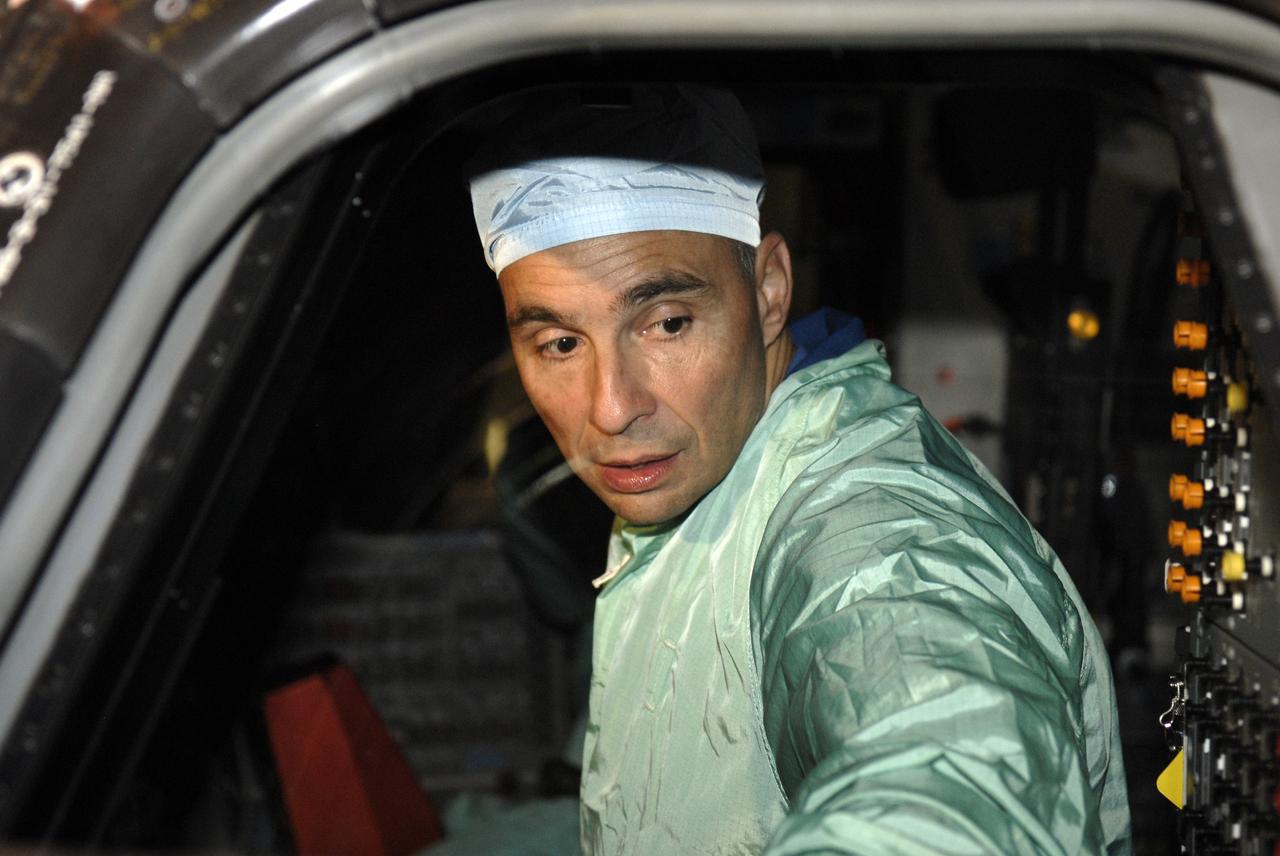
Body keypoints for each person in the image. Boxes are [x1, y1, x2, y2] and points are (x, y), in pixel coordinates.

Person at [465, 84, 1131, 855]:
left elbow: (951, 772)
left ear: (769, 290)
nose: (612, 407)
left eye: (668, 323)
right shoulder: (715, 479)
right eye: (559, 344)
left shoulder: (867, 521)